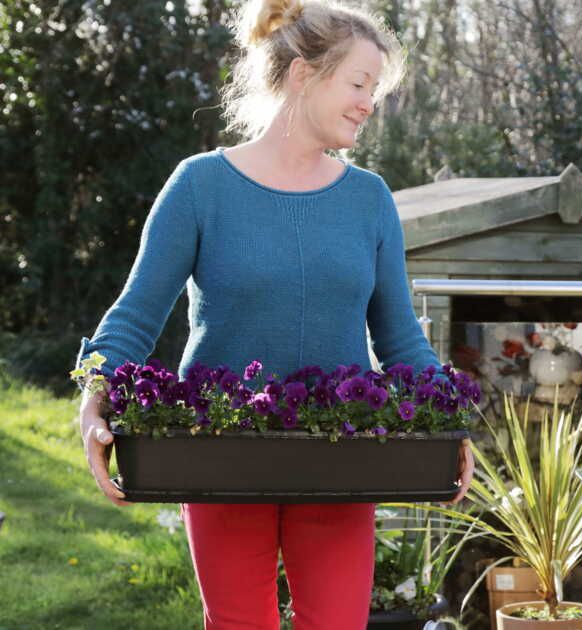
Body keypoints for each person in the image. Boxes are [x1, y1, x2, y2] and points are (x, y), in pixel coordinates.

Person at [74, 1, 474, 628]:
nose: (369, 103)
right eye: (359, 83)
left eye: (374, 88)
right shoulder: (199, 186)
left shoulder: (369, 199)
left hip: (343, 462)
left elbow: (399, 337)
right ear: (302, 74)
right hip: (219, 457)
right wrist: (95, 392)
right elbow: (135, 317)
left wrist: (447, 420)